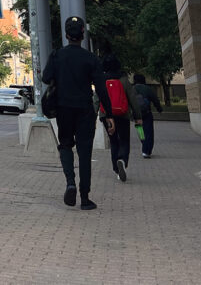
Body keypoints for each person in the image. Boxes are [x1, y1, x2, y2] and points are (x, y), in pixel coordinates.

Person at [42, 17, 114, 210]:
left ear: (66, 35)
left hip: (63, 109)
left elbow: (46, 77)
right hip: (84, 110)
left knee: (65, 145)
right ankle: (85, 198)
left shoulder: (57, 55)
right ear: (83, 34)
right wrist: (109, 115)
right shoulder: (91, 59)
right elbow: (101, 88)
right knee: (84, 152)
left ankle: (70, 183)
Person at [99, 54, 143, 182]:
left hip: (106, 116)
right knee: (124, 140)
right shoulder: (124, 80)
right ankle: (122, 159)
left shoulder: (102, 80)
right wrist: (137, 116)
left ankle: (116, 169)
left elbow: (97, 99)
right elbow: (133, 99)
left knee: (113, 142)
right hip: (122, 115)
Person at [132, 74, 163, 158]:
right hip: (147, 113)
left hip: (136, 114)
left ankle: (144, 144)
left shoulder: (132, 89)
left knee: (140, 130)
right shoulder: (148, 89)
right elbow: (155, 100)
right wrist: (159, 109)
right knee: (148, 132)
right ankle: (146, 151)